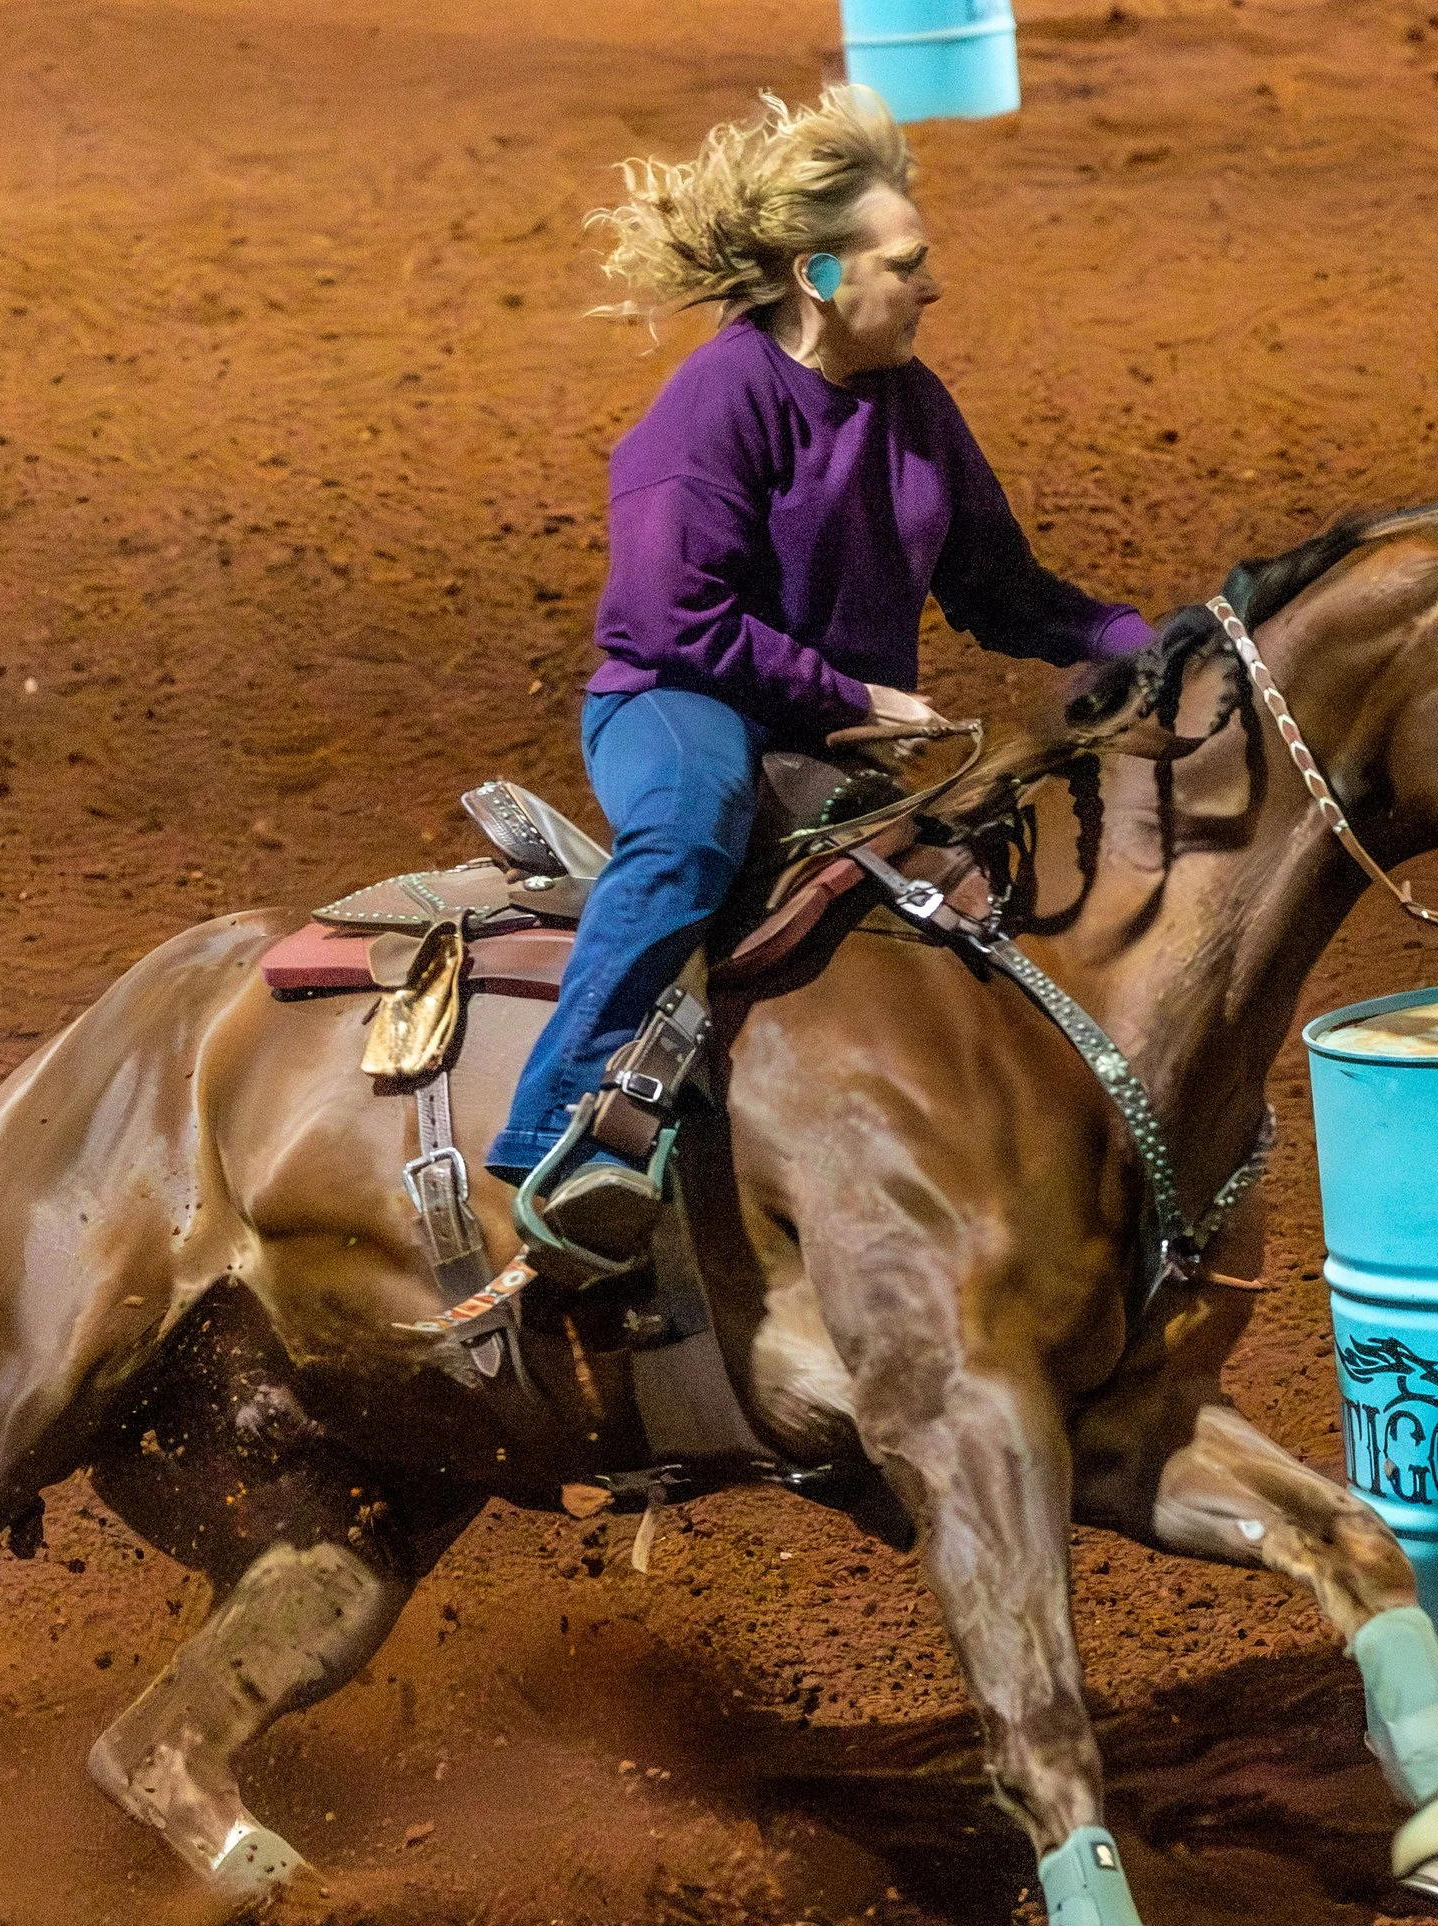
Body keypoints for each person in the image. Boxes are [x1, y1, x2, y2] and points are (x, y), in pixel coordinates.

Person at [491, 84, 1155, 1267]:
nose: (930, 285)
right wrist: (845, 698)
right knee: (693, 834)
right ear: (819, 277)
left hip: (835, 731)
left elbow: (1004, 593)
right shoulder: (715, 400)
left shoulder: (915, 407)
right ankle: (557, 1134)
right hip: (680, 703)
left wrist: (1151, 647)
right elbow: (667, 616)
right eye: (906, 263)